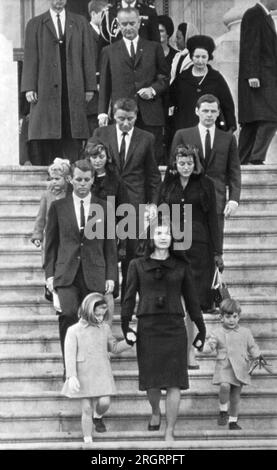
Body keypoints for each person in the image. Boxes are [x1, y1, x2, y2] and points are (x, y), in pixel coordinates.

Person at [121, 217, 206, 441]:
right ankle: (155, 410)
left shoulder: (181, 266)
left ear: (172, 238)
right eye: (158, 232)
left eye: (167, 233)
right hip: (148, 327)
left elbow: (192, 300)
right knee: (152, 383)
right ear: (151, 237)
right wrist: (125, 325)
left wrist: (201, 329)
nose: (163, 237)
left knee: (175, 382)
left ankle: (170, 430)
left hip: (174, 328)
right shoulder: (136, 265)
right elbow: (128, 298)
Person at [44, 159, 118, 370]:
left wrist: (111, 276)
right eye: (78, 179)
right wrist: (49, 275)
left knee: (94, 320)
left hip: (94, 272)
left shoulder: (105, 207)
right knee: (68, 314)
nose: (82, 183)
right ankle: (70, 369)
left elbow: (110, 245)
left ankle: (91, 368)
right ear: (70, 179)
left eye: (87, 179)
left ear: (93, 180)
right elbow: (51, 245)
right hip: (66, 273)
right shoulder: (58, 207)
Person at [160, 144, 222, 368]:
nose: (185, 167)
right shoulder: (168, 184)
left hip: (199, 250)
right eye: (181, 163)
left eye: (189, 163)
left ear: (195, 164)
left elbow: (213, 220)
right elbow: (160, 214)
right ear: (175, 164)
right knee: (174, 302)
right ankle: (173, 352)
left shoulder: (206, 184)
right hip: (173, 247)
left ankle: (190, 353)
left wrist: (218, 252)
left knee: (193, 304)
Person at [93, 98, 161, 300]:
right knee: (105, 247)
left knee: (133, 252)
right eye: (121, 118)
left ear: (136, 117)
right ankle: (105, 296)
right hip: (105, 201)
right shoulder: (100, 134)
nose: (125, 123)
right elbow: (91, 163)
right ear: (114, 116)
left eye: (130, 119)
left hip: (134, 202)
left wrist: (153, 204)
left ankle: (130, 298)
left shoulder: (146, 138)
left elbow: (153, 175)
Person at [21, 0, 96, 165]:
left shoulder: (80, 22)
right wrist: (29, 87)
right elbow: (30, 57)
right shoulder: (35, 24)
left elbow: (88, 55)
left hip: (73, 89)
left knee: (73, 135)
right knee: (46, 134)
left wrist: (90, 86)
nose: (59, 1)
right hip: (45, 88)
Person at [98, 6, 169, 164]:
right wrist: (102, 112)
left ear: (139, 23)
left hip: (150, 114)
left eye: (131, 23)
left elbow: (164, 77)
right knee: (123, 158)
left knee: (152, 158)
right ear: (118, 24)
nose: (128, 27)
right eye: (124, 24)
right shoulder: (108, 51)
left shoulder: (154, 48)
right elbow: (104, 84)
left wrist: (153, 90)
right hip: (122, 115)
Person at [171, 94, 241, 254]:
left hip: (216, 198)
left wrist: (234, 199)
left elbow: (234, 170)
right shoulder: (183, 135)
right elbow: (173, 169)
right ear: (197, 111)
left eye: (213, 111)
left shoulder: (228, 139)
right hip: (187, 198)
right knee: (185, 245)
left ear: (218, 113)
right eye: (205, 111)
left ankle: (213, 278)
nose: (209, 115)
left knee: (214, 246)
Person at [61, 292, 134, 441]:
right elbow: (69, 355)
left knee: (105, 402)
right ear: (88, 311)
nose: (100, 318)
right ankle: (88, 439)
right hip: (83, 372)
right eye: (97, 315)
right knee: (86, 408)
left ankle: (98, 415)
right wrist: (71, 375)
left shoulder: (104, 328)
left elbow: (113, 347)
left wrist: (129, 342)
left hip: (101, 370)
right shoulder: (73, 330)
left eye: (103, 315)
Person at [83, 138, 129, 318]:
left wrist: (122, 240)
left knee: (108, 286)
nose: (98, 160)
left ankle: (106, 330)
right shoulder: (84, 179)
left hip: (109, 235)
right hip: (87, 236)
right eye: (93, 157)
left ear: (107, 157)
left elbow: (124, 211)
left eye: (101, 156)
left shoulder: (116, 180)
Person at [203, 298, 262, 430]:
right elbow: (210, 345)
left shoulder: (245, 332)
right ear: (221, 317)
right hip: (224, 366)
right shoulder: (217, 332)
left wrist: (257, 354)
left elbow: (252, 346)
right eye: (228, 316)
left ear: (239, 317)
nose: (231, 320)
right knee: (224, 386)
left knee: (235, 397)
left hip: (240, 367)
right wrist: (203, 348)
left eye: (235, 316)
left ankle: (233, 421)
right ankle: (223, 410)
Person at [170, 34, 237, 133]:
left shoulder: (216, 78)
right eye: (197, 56)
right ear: (191, 57)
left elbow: (227, 104)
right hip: (186, 129)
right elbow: (170, 101)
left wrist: (230, 126)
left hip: (211, 130)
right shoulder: (182, 78)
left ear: (208, 57)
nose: (200, 61)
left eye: (203, 57)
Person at [238, 0, 277, 165]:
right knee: (270, 117)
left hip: (265, 78)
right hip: (260, 78)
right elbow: (250, 44)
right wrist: (252, 74)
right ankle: (256, 158)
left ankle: (240, 159)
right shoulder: (254, 14)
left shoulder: (264, 16)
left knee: (253, 121)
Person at [31, 158, 71, 262]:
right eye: (52, 179)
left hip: (66, 237)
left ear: (66, 179)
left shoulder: (70, 195)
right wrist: (37, 235)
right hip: (50, 236)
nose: (54, 182)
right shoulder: (47, 195)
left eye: (57, 179)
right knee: (50, 262)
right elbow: (41, 217)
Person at [87, 0, 109, 136]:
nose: (107, 19)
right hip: (93, 93)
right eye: (103, 15)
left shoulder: (108, 34)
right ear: (93, 14)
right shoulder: (85, 33)